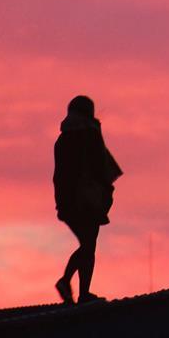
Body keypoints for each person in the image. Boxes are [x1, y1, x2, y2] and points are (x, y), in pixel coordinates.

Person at [53, 95, 123, 304]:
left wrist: (62, 200)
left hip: (68, 199)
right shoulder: (89, 134)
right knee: (88, 245)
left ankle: (74, 287)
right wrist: (106, 190)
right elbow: (100, 166)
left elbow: (60, 174)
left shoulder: (62, 139)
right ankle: (73, 286)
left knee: (87, 244)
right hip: (87, 198)